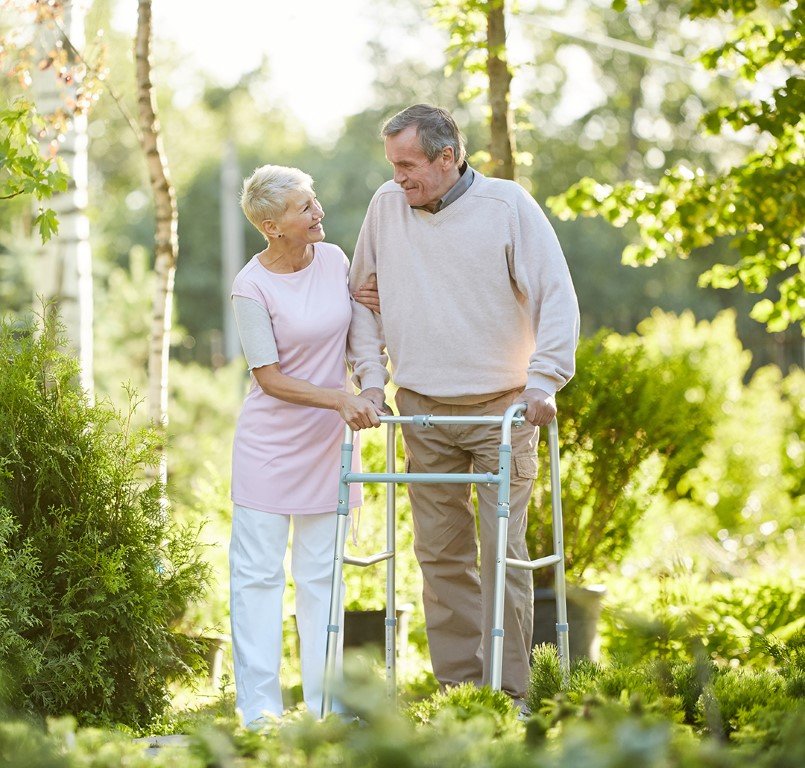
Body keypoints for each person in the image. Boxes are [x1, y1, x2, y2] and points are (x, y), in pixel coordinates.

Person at [348, 104, 580, 710]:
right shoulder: (384, 207)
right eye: (393, 165)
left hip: (501, 410)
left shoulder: (507, 207)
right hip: (422, 407)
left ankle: (511, 695)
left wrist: (544, 381)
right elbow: (361, 300)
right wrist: (372, 381)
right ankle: (460, 695)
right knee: (440, 555)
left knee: (503, 552)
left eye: (410, 165)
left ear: (447, 157)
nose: (399, 178)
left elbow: (556, 296)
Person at [229, 164, 384, 726]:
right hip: (269, 448)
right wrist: (341, 401)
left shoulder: (336, 259)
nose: (317, 212)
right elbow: (268, 377)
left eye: (314, 201)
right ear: (272, 225)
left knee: (323, 578)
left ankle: (327, 709)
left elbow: (358, 325)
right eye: (303, 207)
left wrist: (368, 385)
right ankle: (260, 713)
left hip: (327, 447)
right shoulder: (251, 285)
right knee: (258, 581)